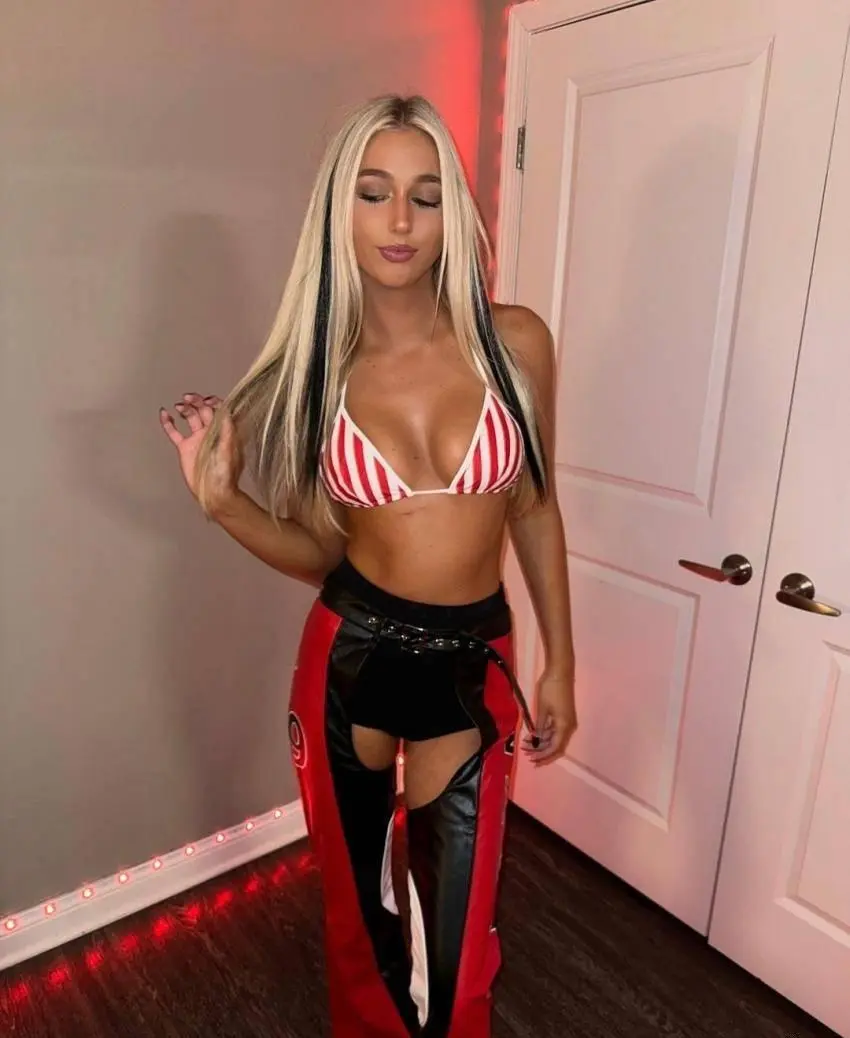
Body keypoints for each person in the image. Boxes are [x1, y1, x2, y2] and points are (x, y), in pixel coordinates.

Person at [159, 94, 576, 1038]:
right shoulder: (313, 372)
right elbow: (324, 553)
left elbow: (535, 506)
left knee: (458, 938)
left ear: (452, 214)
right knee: (360, 923)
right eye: (374, 192)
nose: (400, 222)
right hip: (350, 658)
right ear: (337, 208)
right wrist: (225, 506)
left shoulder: (516, 342)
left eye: (426, 197)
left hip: (474, 661)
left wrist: (562, 661)